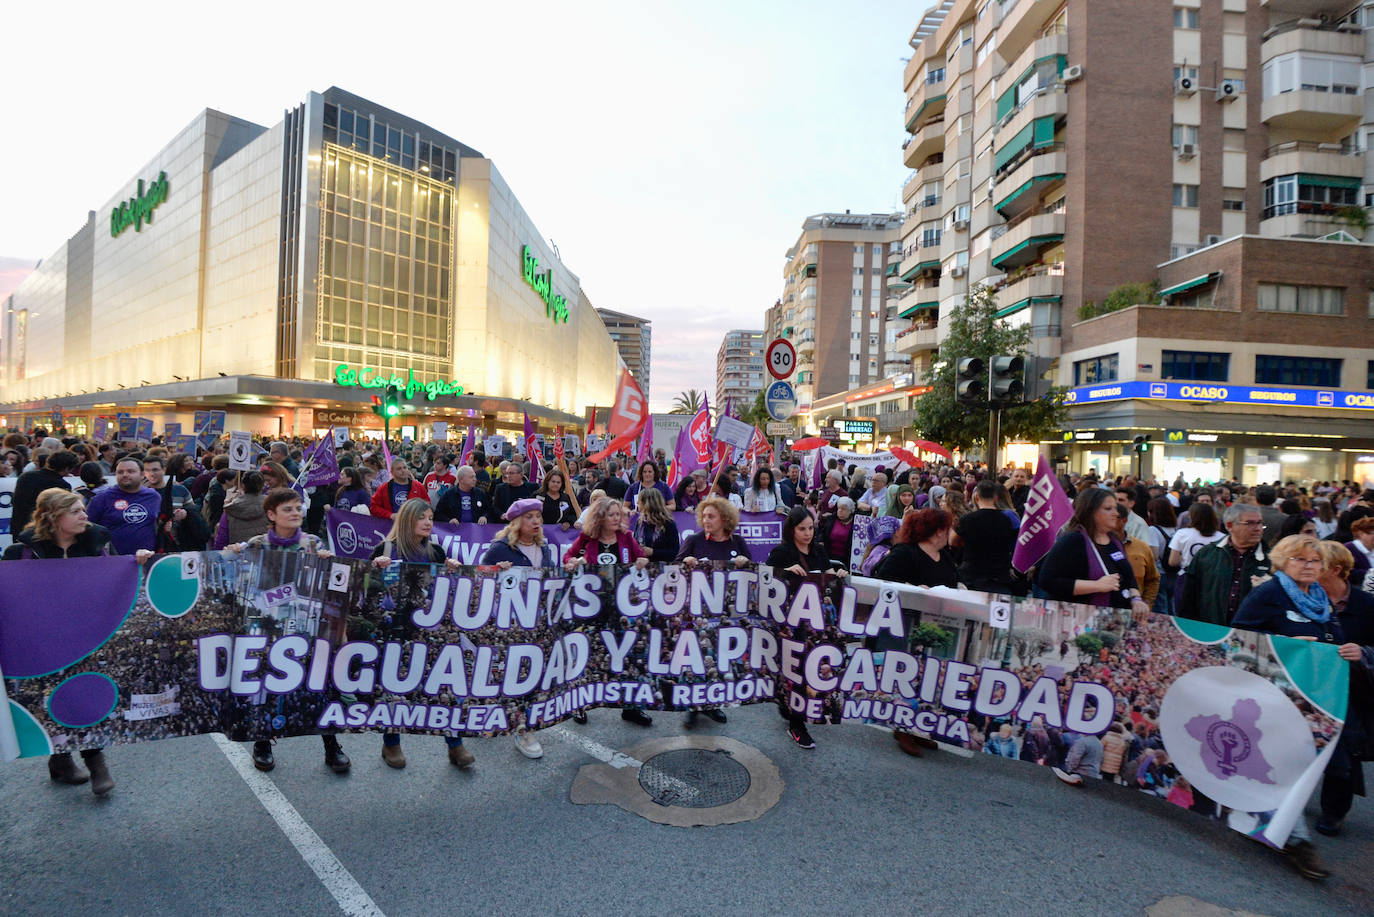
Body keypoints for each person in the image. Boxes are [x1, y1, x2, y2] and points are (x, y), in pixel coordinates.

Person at [1, 489, 148, 795]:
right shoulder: (20, 553)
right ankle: (61, 762)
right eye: (76, 511)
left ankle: (97, 764)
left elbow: (117, 576)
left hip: (87, 636)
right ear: (53, 517)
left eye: (83, 509)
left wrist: (137, 562)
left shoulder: (98, 544)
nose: (85, 516)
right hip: (40, 641)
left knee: (82, 696)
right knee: (48, 697)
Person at [1232, 533, 1344, 879]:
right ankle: (1296, 841)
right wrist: (1286, 643)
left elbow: (1330, 635)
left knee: (1303, 763)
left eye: (1315, 561)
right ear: (1282, 562)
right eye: (1301, 560)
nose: (1310, 566)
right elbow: (1239, 637)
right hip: (1276, 692)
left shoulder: (1318, 596)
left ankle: (1265, 817)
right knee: (1287, 763)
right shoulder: (1269, 593)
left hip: (1317, 692)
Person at [369, 499, 471, 769]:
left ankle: (455, 744)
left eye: (430, 517)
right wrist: (375, 569)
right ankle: (391, 744)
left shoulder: (436, 552)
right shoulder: (385, 548)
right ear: (406, 521)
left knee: (443, 690)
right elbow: (367, 592)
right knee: (394, 691)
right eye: (421, 518)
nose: (428, 522)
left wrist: (453, 571)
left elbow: (447, 591)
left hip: (430, 633)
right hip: (396, 634)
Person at [565, 497, 653, 727]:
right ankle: (580, 705)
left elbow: (641, 556)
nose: (617, 518)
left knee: (628, 655)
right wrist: (573, 563)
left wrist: (642, 561)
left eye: (618, 514)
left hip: (621, 608)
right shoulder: (587, 538)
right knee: (588, 656)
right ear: (600, 517)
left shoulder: (626, 537)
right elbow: (568, 557)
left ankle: (631, 707)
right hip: (593, 609)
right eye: (612, 514)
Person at [480, 497, 557, 759]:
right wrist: (493, 571)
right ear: (516, 522)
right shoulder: (500, 548)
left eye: (538, 516)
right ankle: (504, 721)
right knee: (507, 674)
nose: (536, 521)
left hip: (536, 626)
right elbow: (478, 577)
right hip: (507, 626)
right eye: (529, 517)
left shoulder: (544, 549)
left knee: (527, 676)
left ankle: (522, 728)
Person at [766, 506, 847, 749]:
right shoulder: (782, 552)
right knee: (796, 672)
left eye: (811, 528)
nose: (807, 533)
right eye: (802, 528)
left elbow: (829, 576)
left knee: (806, 670)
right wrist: (784, 572)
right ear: (791, 530)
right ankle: (797, 725)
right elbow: (766, 579)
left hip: (814, 622)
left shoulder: (819, 551)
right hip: (790, 623)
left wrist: (839, 574)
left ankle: (792, 710)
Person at [1036, 488, 1150, 612]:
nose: (1116, 513)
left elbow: (1129, 578)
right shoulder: (1072, 541)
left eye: (1115, 508)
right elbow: (1047, 581)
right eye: (1108, 509)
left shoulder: (1115, 541)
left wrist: (1136, 599)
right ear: (1091, 511)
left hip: (1114, 619)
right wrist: (1096, 586)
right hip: (1078, 618)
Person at [1177, 504, 1271, 626]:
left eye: (1259, 523)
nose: (1258, 528)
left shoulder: (1271, 559)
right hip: (1211, 629)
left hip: (1252, 634)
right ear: (1230, 526)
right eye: (1250, 523)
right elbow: (1189, 596)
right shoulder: (1207, 554)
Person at [85, 457, 163, 556]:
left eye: (131, 471)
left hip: (147, 559)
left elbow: (158, 523)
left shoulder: (154, 496)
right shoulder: (101, 499)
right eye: (120, 472)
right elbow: (87, 528)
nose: (125, 475)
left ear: (143, 474)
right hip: (112, 561)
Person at [954, 480, 1018, 594]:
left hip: (973, 575)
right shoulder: (1006, 520)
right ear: (996, 498)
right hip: (999, 576)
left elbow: (953, 541)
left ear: (976, 497)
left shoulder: (968, 519)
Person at [875, 508, 959, 588]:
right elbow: (884, 577)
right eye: (948, 529)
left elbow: (956, 578)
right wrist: (913, 589)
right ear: (939, 532)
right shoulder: (904, 552)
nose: (951, 532)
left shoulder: (945, 555)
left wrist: (960, 586)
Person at [10, 449, 78, 535]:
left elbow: (16, 501)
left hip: (19, 527)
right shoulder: (61, 485)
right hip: (42, 531)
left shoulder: (26, 476)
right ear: (67, 468)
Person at [676, 495, 753, 571]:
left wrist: (745, 563)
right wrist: (685, 562)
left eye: (711, 516)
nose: (705, 520)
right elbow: (675, 570)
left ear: (725, 518)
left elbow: (752, 571)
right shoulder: (693, 540)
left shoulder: (738, 541)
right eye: (704, 516)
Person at [1115, 504, 1160, 608]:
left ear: (1124, 520)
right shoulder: (1097, 546)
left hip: (1136, 609)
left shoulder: (1141, 547)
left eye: (1114, 517)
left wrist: (1146, 603)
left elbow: (1153, 579)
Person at [213, 471, 269, 549]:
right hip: (264, 553)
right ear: (263, 486)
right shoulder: (271, 506)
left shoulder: (231, 508)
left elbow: (222, 539)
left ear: (243, 486)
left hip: (238, 553)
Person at [1168, 502, 1225, 575]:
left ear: (1192, 517)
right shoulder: (1222, 537)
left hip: (1187, 576)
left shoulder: (1182, 534)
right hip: (1213, 578)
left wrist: (1185, 557)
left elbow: (1173, 561)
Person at [633, 488, 680, 562]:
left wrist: (653, 552)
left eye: (639, 501)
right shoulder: (640, 522)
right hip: (641, 565)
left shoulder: (668, 523)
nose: (637, 503)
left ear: (647, 504)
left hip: (661, 566)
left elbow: (674, 552)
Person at [816, 497, 857, 572]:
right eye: (839, 508)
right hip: (828, 556)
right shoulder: (831, 519)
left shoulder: (856, 524)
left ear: (851, 511)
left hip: (846, 559)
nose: (840, 511)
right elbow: (822, 532)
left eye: (843, 509)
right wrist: (820, 541)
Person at [1344, 516, 1374, 584]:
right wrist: (1370, 574)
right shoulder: (1348, 549)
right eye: (1373, 533)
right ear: (1360, 534)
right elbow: (1349, 573)